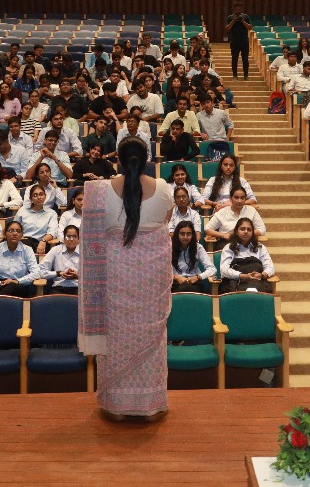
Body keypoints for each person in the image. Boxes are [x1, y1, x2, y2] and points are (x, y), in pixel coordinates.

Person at [79, 138, 175, 422]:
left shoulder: (98, 192)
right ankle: (148, 404)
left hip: (114, 276)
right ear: (146, 159)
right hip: (150, 279)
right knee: (151, 338)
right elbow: (164, 224)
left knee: (117, 337)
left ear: (117, 160)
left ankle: (116, 405)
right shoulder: (164, 190)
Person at [0, 221, 42, 297]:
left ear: (21, 235)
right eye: (11, 231)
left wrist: (17, 281)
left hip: (19, 286)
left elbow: (36, 273)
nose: (14, 233)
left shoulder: (27, 250)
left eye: (18, 231)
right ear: (5, 234)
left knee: (12, 286)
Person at [219, 217, 274, 294]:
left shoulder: (260, 247)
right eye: (242, 229)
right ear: (237, 232)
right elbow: (224, 270)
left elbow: (270, 267)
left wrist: (261, 275)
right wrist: (243, 276)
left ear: (252, 233)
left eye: (249, 230)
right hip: (235, 282)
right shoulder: (229, 247)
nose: (246, 232)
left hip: (257, 281)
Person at [171, 221, 215, 294]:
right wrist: (176, 277)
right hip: (175, 282)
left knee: (187, 287)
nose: (185, 237)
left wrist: (198, 277)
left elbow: (212, 269)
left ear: (192, 235)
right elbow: (162, 271)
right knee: (184, 288)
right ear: (177, 235)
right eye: (182, 234)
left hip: (194, 282)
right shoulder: (170, 248)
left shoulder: (198, 247)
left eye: (188, 234)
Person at [41, 224, 82, 294]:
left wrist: (78, 276)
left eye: (74, 236)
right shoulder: (55, 250)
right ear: (63, 238)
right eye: (68, 236)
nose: (71, 239)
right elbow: (40, 270)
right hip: (59, 288)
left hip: (79, 288)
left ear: (79, 238)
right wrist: (58, 273)